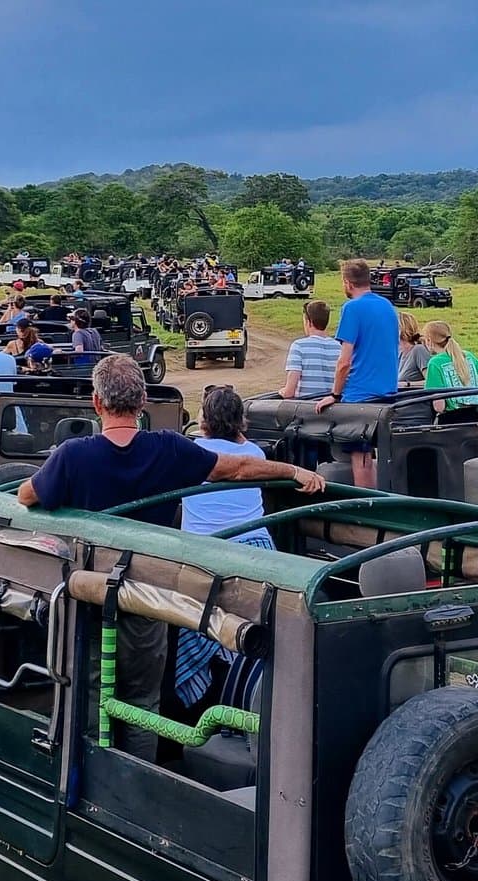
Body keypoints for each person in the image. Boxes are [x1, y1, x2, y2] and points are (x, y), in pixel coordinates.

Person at [17, 356, 324, 759]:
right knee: (143, 700)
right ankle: (138, 779)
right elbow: (237, 468)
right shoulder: (169, 448)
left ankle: (86, 779)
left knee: (87, 693)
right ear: (142, 401)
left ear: (96, 402)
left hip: (87, 596)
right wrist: (293, 471)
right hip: (147, 594)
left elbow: (26, 496)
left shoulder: (73, 456)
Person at [176, 386, 275, 709]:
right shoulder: (256, 454)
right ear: (241, 421)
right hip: (256, 556)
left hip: (205, 559)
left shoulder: (192, 451)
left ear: (204, 421)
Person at [314, 260, 399, 487]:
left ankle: (364, 511)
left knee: (360, 460)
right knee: (374, 458)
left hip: (359, 396)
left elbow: (344, 361)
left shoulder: (352, 308)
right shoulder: (388, 307)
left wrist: (334, 394)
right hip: (388, 392)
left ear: (347, 283)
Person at [421, 320, 478, 413]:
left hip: (453, 419)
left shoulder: (435, 363)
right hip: (476, 415)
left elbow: (439, 407)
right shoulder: (468, 356)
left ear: (429, 340)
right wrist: (471, 386)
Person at [280, 301, 341, 399]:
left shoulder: (299, 346)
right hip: (332, 407)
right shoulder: (339, 347)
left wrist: (284, 392)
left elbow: (290, 390)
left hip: (306, 406)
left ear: (309, 322)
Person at [397, 312, 431, 385]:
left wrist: (407, 384)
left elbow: (432, 382)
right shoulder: (396, 354)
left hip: (414, 395)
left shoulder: (419, 350)